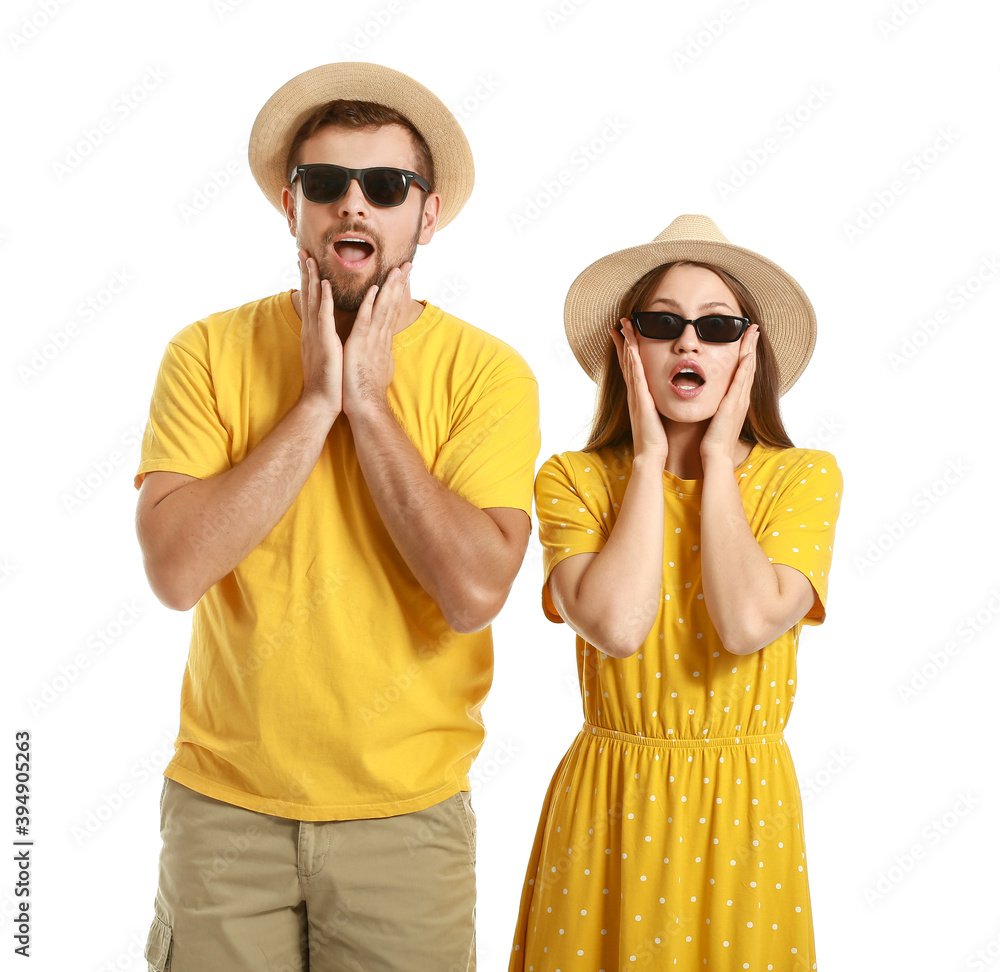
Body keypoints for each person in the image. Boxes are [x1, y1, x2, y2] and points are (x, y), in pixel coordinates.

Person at [134, 61, 539, 972]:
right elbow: (173, 570)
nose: (353, 205)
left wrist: (371, 405)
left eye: (386, 186)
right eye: (327, 183)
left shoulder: (487, 373)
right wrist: (317, 404)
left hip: (407, 821)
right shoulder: (207, 352)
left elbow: (475, 590)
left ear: (425, 214)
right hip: (224, 814)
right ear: (293, 205)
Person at [508, 215, 842, 971]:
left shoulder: (802, 476)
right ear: (628, 348)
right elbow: (620, 628)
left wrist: (719, 457)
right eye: (663, 324)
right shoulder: (575, 477)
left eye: (718, 327)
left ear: (748, 354)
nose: (689, 343)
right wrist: (651, 455)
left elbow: (747, 622)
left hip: (744, 807)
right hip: (609, 805)